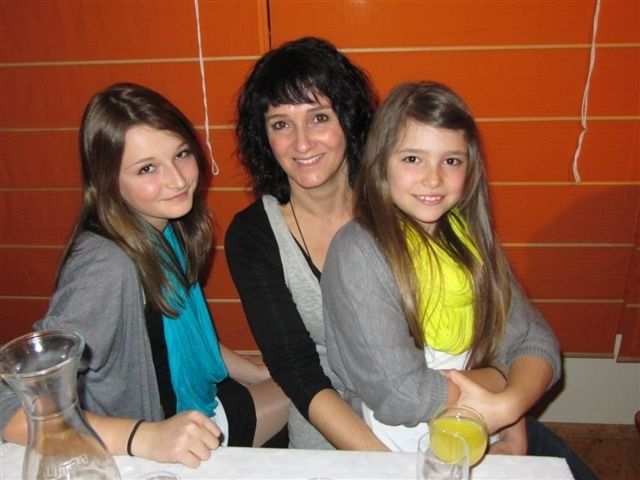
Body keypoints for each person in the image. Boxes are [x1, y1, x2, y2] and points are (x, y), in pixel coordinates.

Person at [0, 83, 288, 467]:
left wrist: (252, 371)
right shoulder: (106, 266)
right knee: (313, 393)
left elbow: (180, 331)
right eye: (147, 168)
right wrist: (145, 437)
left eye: (181, 154)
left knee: (304, 378)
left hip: (194, 401)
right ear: (108, 180)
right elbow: (11, 408)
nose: (178, 180)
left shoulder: (166, 226)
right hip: (152, 438)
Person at [321, 81, 597, 479]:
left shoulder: (469, 241)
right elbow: (402, 395)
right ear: (381, 163)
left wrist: (508, 409)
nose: (433, 179)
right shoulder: (359, 251)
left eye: (451, 161)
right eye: (413, 159)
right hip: (401, 448)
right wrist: (502, 378)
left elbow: (537, 342)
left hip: (483, 427)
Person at [226, 37, 386, 450]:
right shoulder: (253, 235)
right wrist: (385, 463)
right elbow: (295, 367)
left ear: (348, 120)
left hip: (424, 411)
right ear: (264, 136)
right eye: (281, 124)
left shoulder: (399, 203)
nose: (302, 143)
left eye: (318, 118)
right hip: (327, 428)